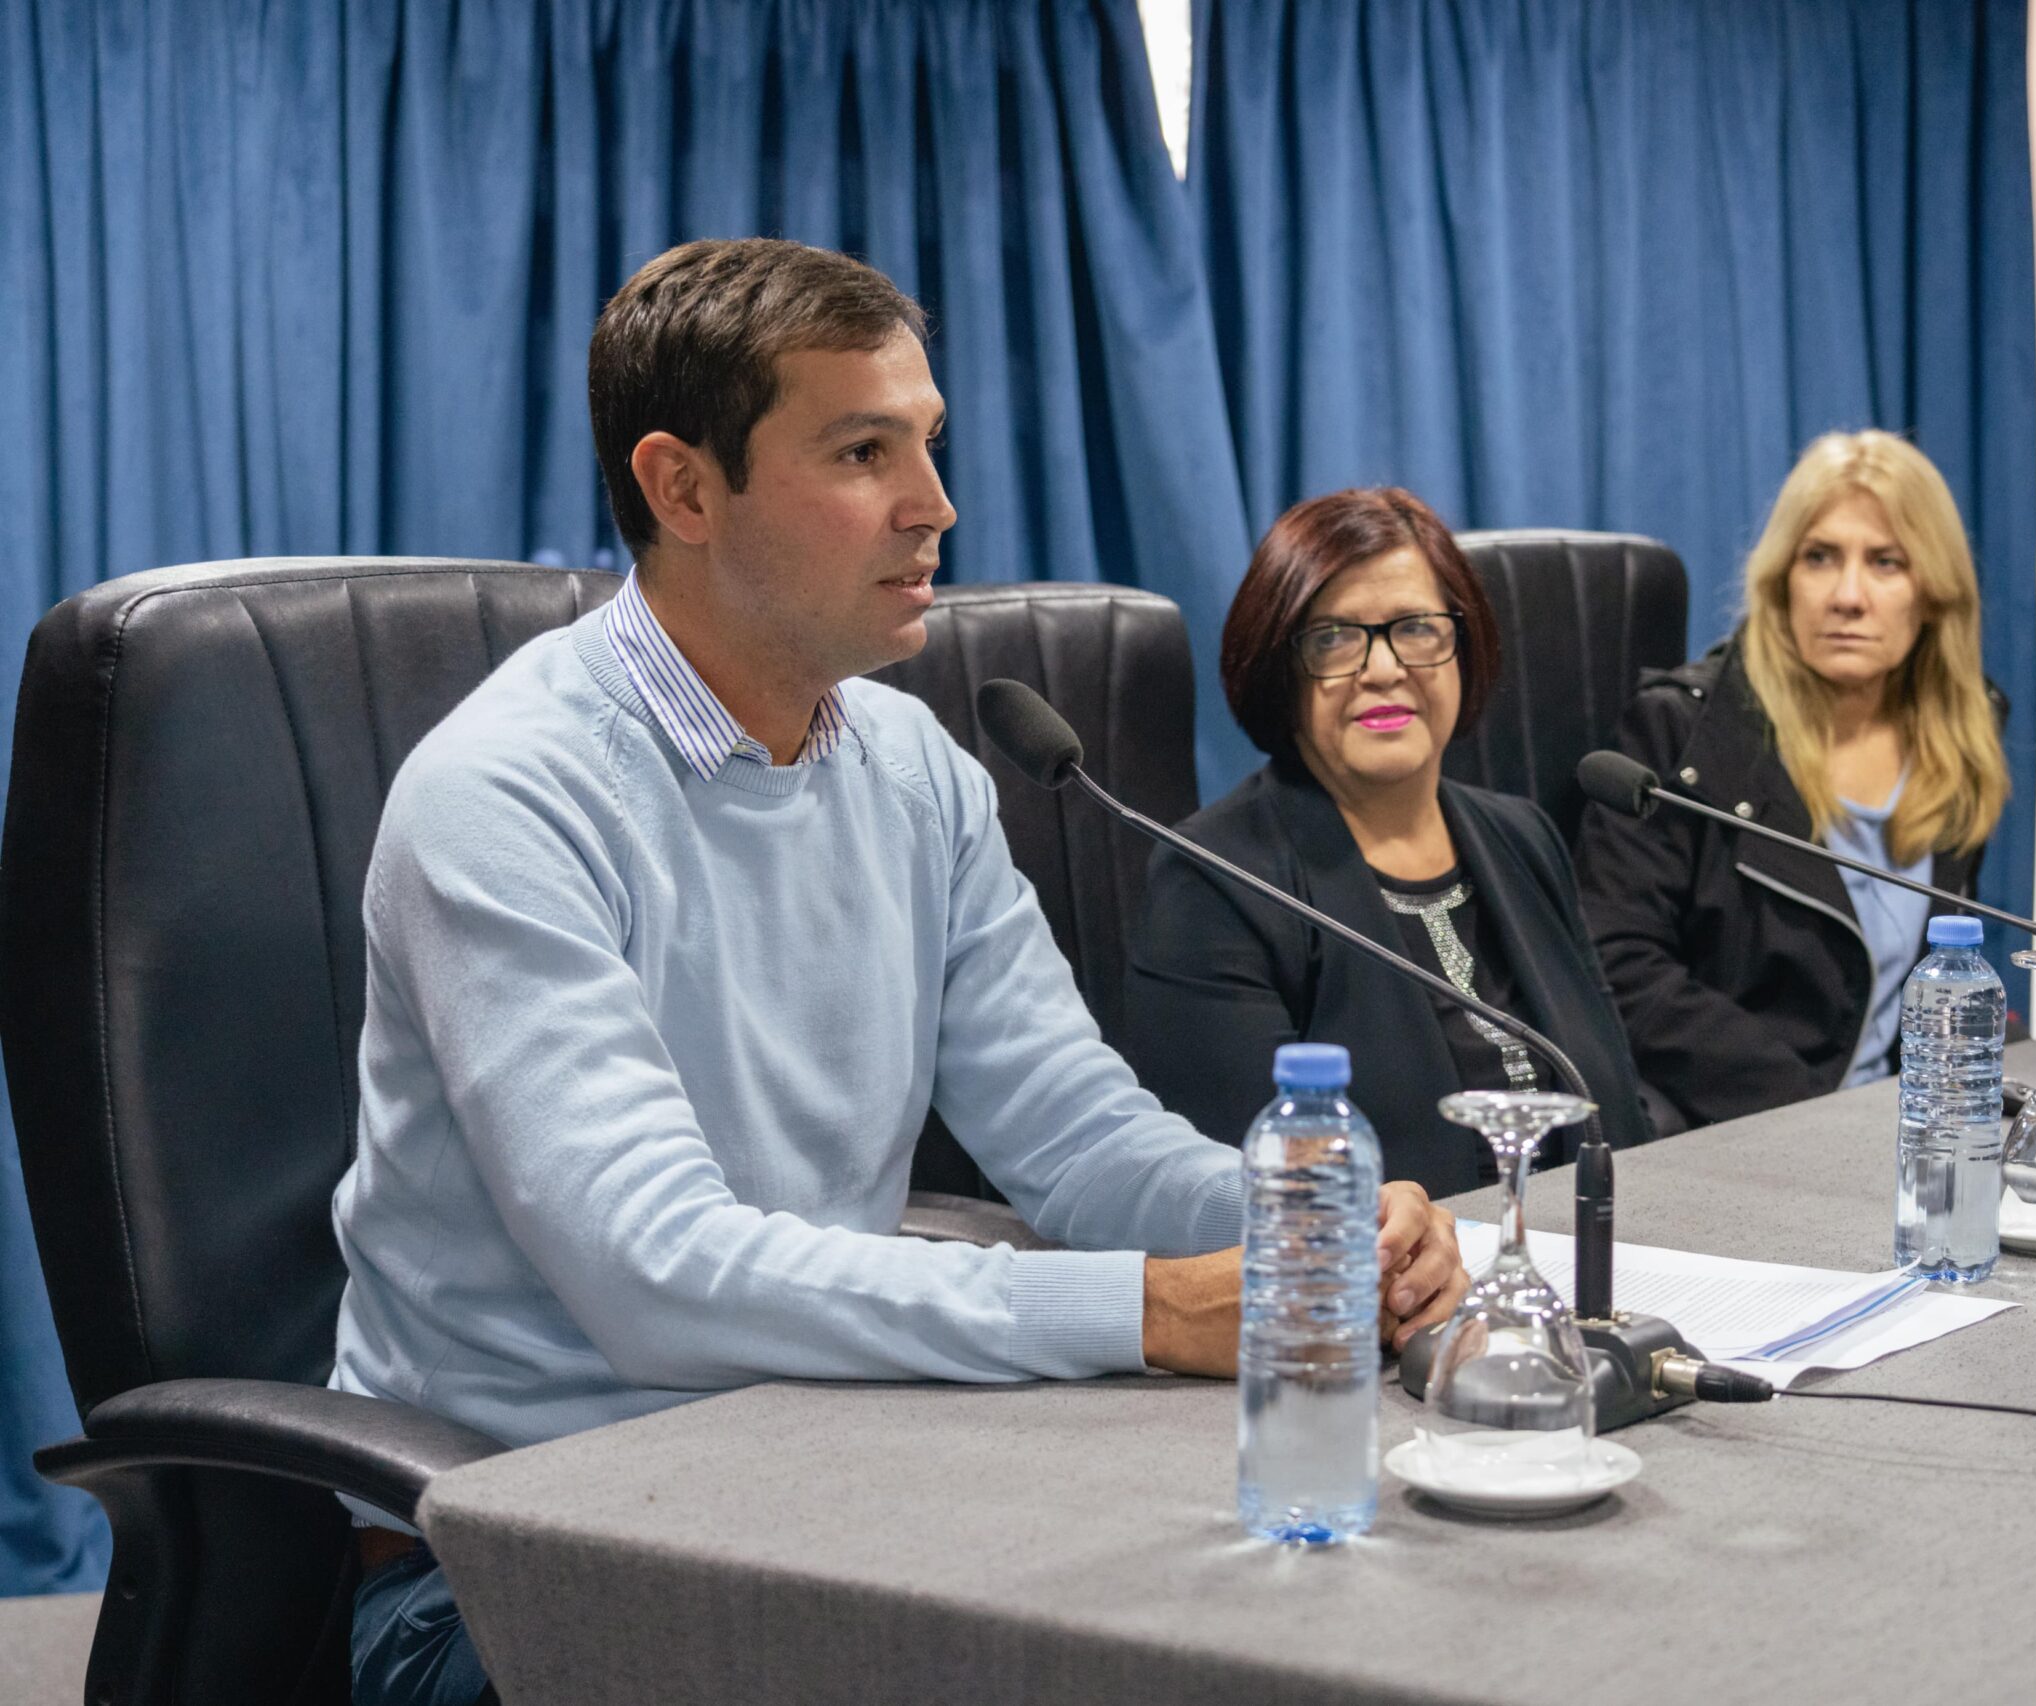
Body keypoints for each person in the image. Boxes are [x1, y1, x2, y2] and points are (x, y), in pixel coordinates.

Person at [329, 241, 1464, 1706]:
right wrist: (1151, 1308)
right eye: (864, 450)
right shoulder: (507, 792)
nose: (936, 505)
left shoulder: (913, 766)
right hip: (507, 1560)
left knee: (1288, 1614)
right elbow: (654, 1273)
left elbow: (1071, 1131)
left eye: (926, 442)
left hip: (823, 1475)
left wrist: (1297, 1221)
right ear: (682, 488)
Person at [1121, 488, 1657, 1199]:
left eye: (1415, 627)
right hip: (1374, 1291)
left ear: (1464, 646)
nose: (1381, 669)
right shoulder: (1216, 880)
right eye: (1334, 637)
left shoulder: (1523, 837)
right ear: (1281, 671)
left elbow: (1617, 1113)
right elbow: (1250, 1191)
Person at [1576, 431, 2011, 1129]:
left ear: (1932, 594)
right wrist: (1816, 1119)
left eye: (1886, 563)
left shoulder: (1960, 738)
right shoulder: (1680, 735)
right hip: (1739, 1129)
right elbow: (1617, 967)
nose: (1848, 595)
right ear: (1782, 582)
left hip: (1906, 1131)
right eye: (1820, 558)